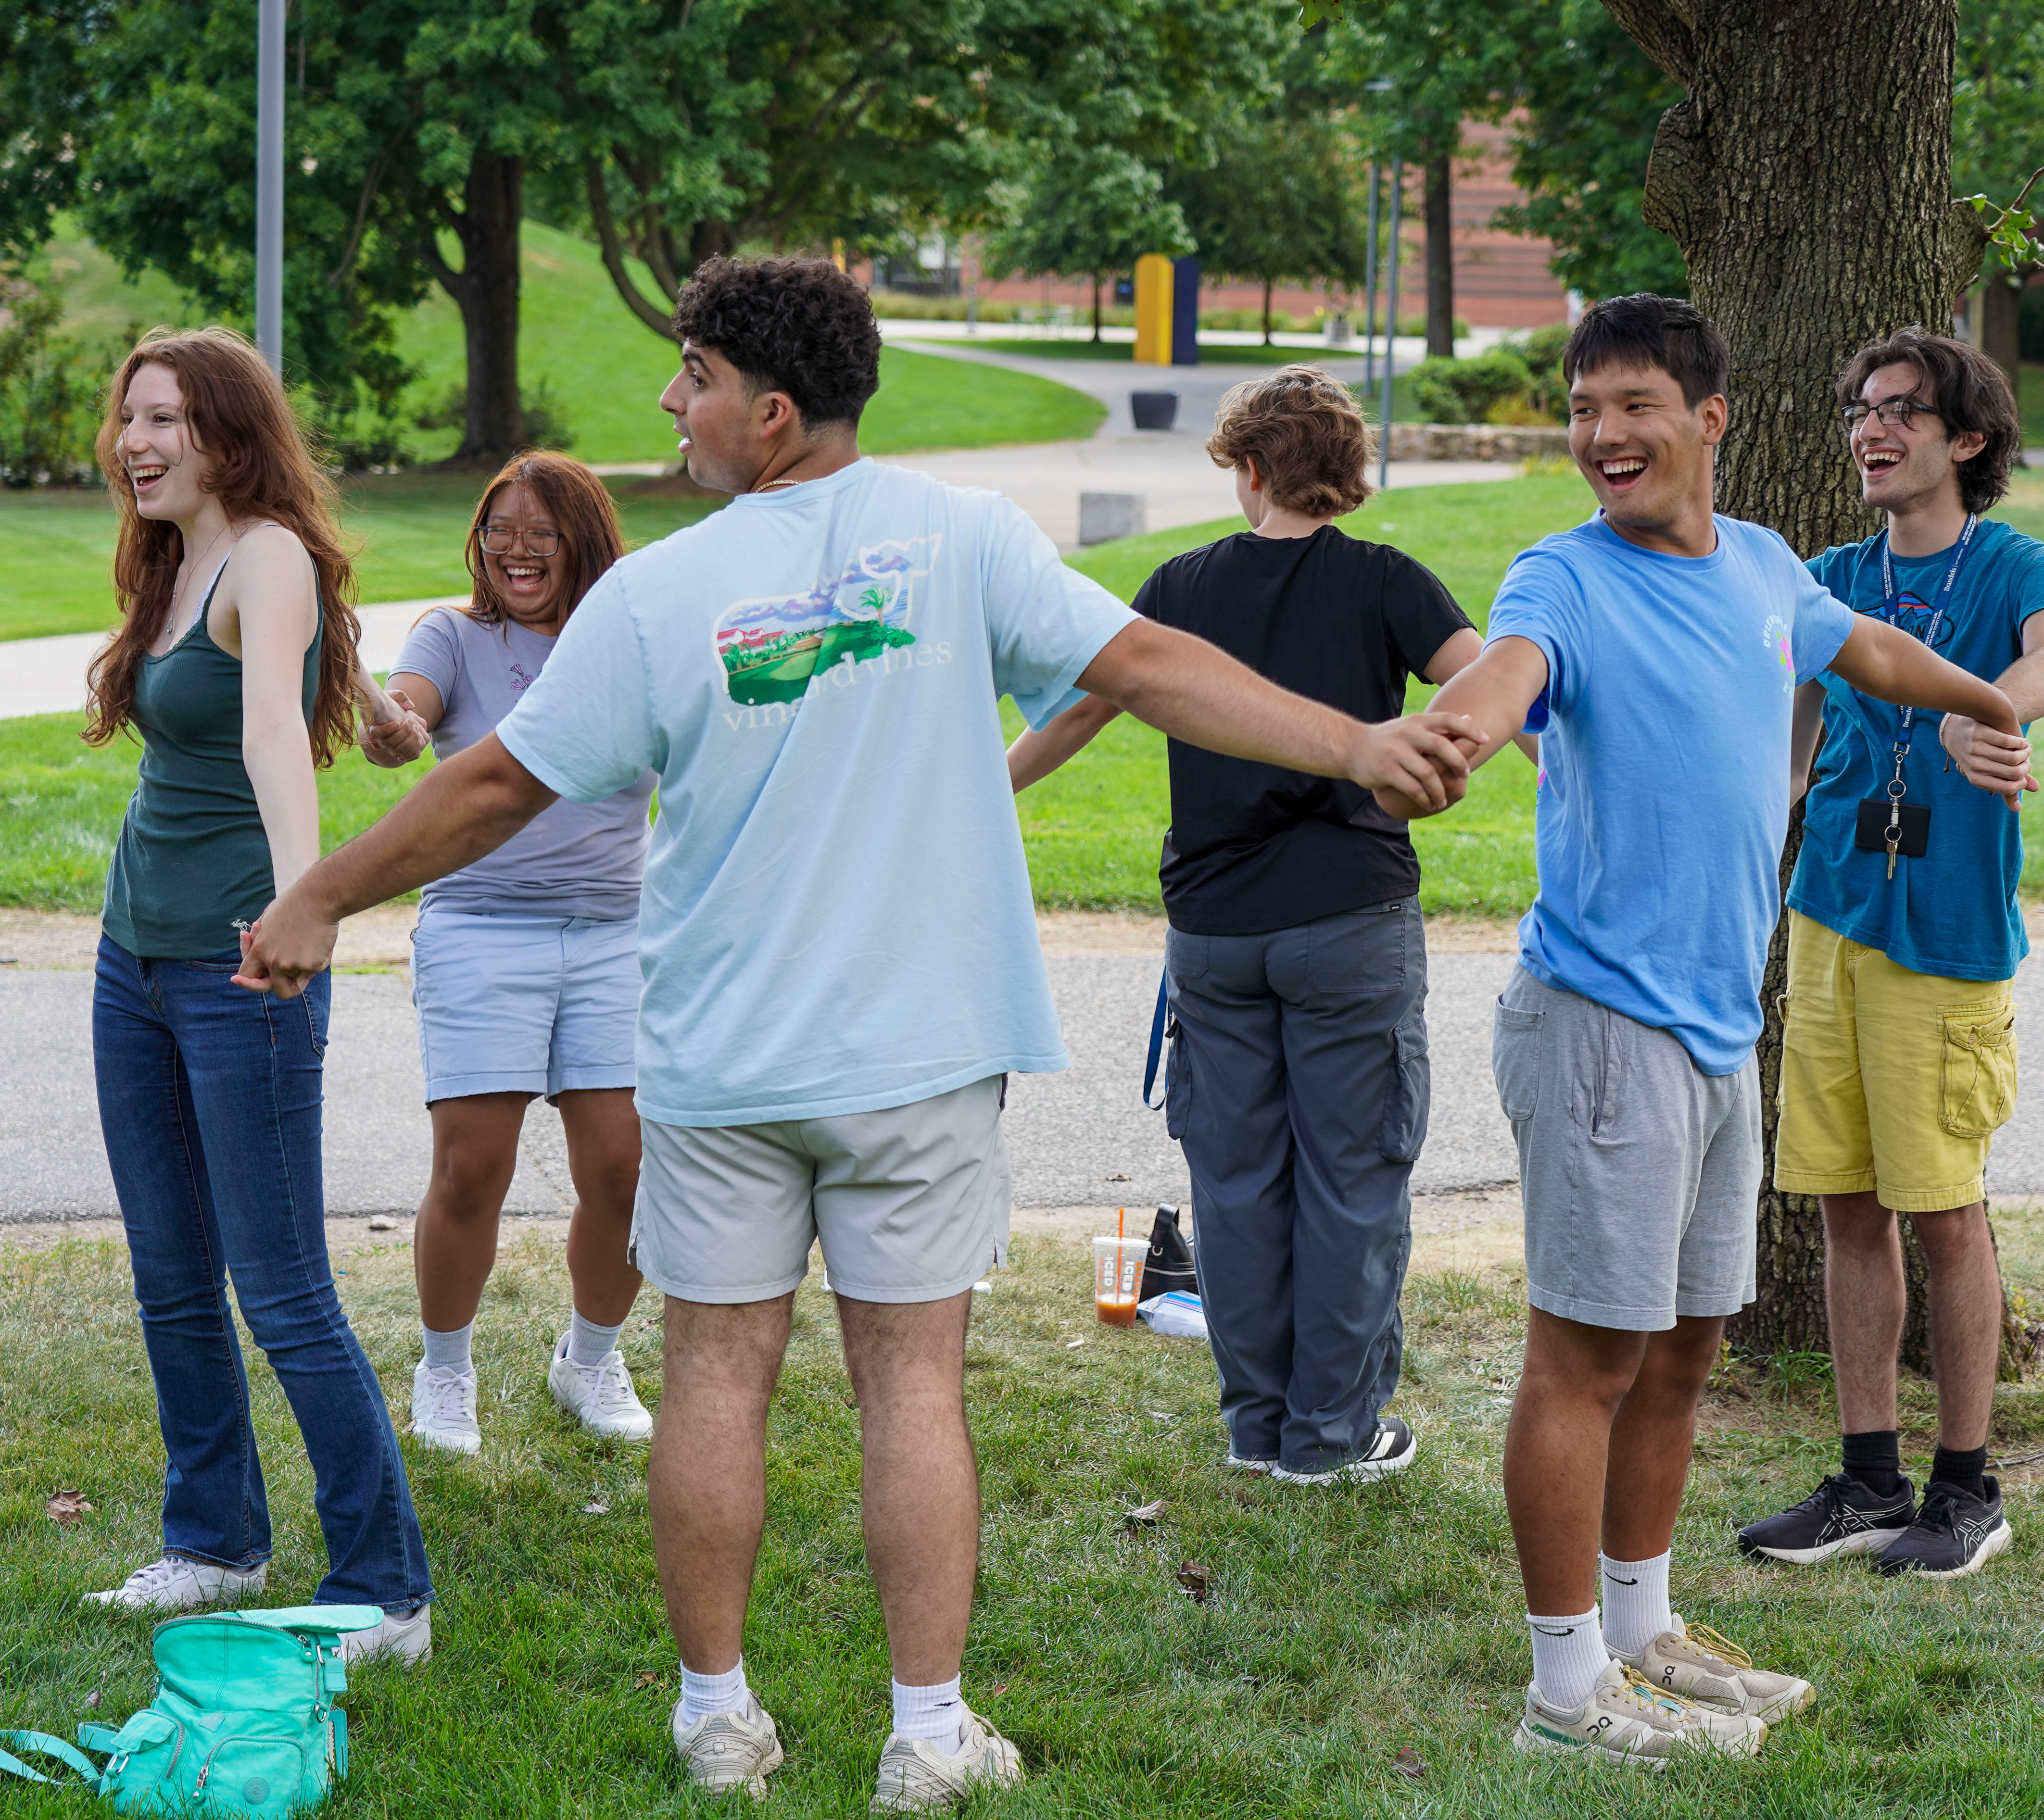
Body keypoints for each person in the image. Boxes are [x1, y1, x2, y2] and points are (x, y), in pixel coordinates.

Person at [232, 257, 1473, 1809]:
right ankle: (927, 1730)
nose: (671, 406)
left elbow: (496, 786)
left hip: (728, 1058)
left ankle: (718, 1715)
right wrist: (1355, 737)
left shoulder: (665, 590)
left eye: (689, 379)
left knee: (714, 1372)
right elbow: (1147, 668)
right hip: (914, 1058)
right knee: (909, 1384)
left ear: (767, 410)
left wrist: (317, 899)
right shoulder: (958, 542)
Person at [1383, 296, 2032, 1768]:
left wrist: (1984, 698)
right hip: (1600, 1023)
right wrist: (1461, 734)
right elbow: (1507, 671)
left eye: (1629, 406)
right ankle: (1563, 1690)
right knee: (1584, 1359)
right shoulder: (1563, 574)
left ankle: (1639, 1629)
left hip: (1714, 1031)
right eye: (1580, 409)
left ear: (1705, 419)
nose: (1600, 436)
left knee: (1683, 1349)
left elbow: (1861, 647)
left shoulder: (1758, 566)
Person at [1007, 367, 1481, 1486]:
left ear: (1251, 469)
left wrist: (982, 797)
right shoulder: (1386, 581)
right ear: (1344, 473)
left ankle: (1255, 1429)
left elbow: (1081, 705)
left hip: (1214, 935)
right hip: (1348, 922)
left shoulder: (1178, 585)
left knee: (1236, 1186)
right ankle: (1331, 1436)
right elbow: (1485, 690)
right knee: (1350, 1182)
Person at [81, 326, 433, 1665]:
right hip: (137, 960)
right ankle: (214, 1538)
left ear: (229, 431)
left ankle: (385, 1589)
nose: (137, 442)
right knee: (173, 1274)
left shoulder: (267, 553)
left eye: (165, 418)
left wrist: (306, 907)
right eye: (130, 419)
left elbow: (271, 729)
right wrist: (392, 722)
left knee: (281, 1290)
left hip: (244, 969)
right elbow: (318, 692)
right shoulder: (177, 559)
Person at [1735, 328, 2044, 1580]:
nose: (1868, 432)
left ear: (1965, 439)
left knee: (1943, 1212)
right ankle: (1867, 1477)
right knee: (1842, 1206)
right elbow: (1787, 742)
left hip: (1942, 945)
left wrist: (1991, 711)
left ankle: (1964, 1486)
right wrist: (1743, 864)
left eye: (1899, 412)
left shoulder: (2012, 566)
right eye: (1857, 412)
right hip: (1827, 925)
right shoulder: (1823, 578)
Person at [378, 452, 657, 1455]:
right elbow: (408, 708)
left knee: (625, 1168)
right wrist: (397, 726)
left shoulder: (629, 642)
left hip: (615, 934)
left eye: (541, 530)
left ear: (585, 538)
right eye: (499, 529)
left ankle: (589, 1358)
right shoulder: (454, 637)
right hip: (480, 928)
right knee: (471, 1168)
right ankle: (444, 1371)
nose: (517, 548)